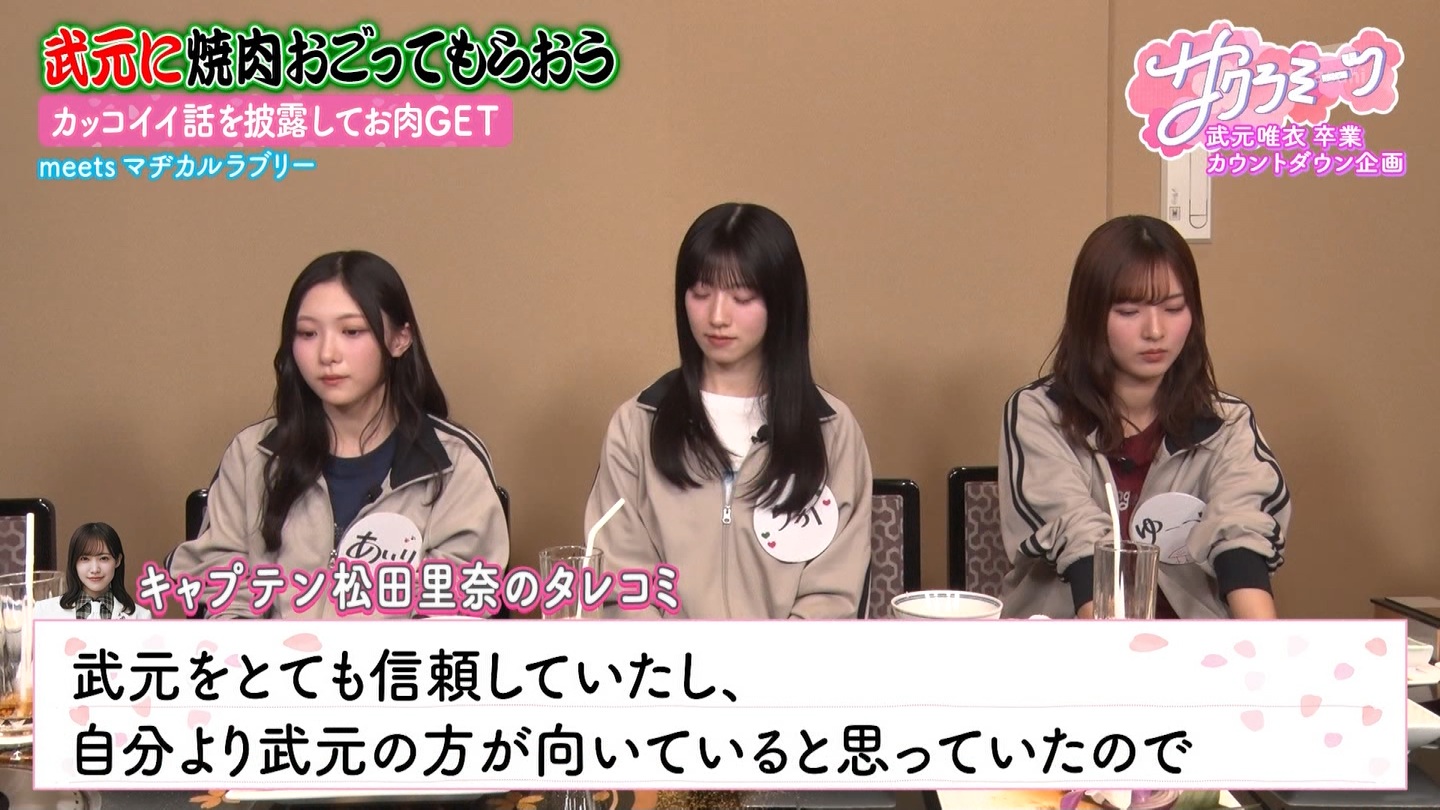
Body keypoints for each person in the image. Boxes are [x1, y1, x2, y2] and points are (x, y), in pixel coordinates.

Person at [169, 250, 509, 618]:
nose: (327, 354)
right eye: (307, 334)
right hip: (267, 657)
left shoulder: (453, 464)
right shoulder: (252, 455)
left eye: (351, 332)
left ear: (400, 339)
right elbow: (217, 586)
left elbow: (454, 615)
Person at [585, 203, 873, 619]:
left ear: (781, 302)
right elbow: (621, 581)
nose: (717, 316)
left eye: (742, 297)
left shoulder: (832, 430)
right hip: (667, 662)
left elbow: (833, 594)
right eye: (701, 293)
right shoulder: (636, 426)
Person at [998, 215, 1289, 620]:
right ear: (1090, 315)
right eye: (1129, 310)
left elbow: (1241, 534)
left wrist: (1263, 650)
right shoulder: (1041, 413)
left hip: (1196, 651)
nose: (1155, 331)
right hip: (1075, 645)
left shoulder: (1227, 424)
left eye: (1173, 308)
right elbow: (1078, 538)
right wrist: (1126, 652)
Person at [36, 522, 151, 619]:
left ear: (117, 560)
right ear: (74, 562)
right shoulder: (43, 612)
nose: (95, 569)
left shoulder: (140, 617)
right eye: (85, 559)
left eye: (104, 558)